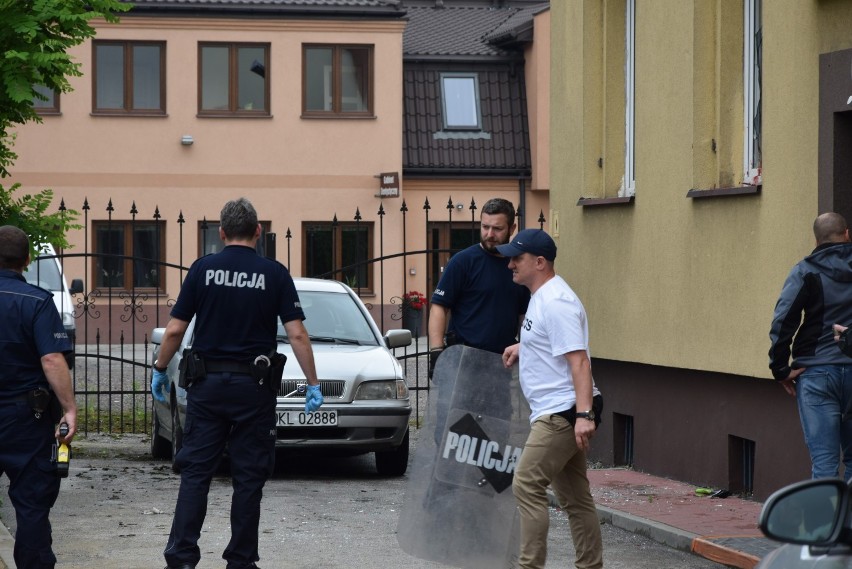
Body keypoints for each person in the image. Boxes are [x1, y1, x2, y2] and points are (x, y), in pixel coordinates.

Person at [152, 198, 323, 569]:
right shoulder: (274, 274)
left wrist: (160, 368)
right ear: (259, 232)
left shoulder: (203, 269)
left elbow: (176, 330)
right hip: (254, 389)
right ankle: (241, 561)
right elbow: (297, 335)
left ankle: (181, 557)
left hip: (207, 386)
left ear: (222, 232)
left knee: (196, 473)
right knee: (249, 477)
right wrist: (312, 382)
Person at [499, 228, 603, 569]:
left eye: (518, 258)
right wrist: (523, 346)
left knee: (526, 483)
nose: (511, 263)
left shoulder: (557, 302)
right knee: (575, 498)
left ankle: (529, 566)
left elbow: (579, 361)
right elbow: (554, 344)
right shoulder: (541, 296)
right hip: (560, 409)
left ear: (540, 262)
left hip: (562, 412)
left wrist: (584, 415)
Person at [0, 225, 78, 569]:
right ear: (27, 260)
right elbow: (51, 359)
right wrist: (69, 410)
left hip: (22, 414)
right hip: (25, 418)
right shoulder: (36, 301)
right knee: (31, 504)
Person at [769, 212, 852, 481]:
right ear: (847, 234)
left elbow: (784, 320)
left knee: (825, 463)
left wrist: (780, 368)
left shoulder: (805, 271)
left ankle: (827, 523)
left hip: (816, 374)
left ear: (816, 240)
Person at [428, 197, 530, 368]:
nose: (490, 234)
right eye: (485, 227)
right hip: (463, 360)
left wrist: (528, 349)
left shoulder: (517, 266)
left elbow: (524, 316)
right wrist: (436, 352)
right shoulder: (462, 262)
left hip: (503, 361)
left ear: (512, 228)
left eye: (497, 228)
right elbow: (439, 306)